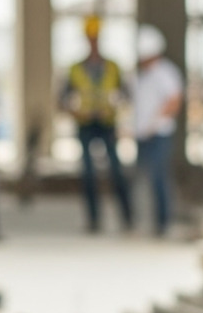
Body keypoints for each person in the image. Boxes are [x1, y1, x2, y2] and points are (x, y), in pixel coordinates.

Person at [61, 14, 132, 233]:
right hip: (85, 124)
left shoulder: (113, 67)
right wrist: (73, 110)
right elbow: (62, 99)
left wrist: (116, 105)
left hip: (107, 123)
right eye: (90, 37)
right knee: (89, 174)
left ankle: (128, 218)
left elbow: (126, 95)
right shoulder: (75, 69)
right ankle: (94, 221)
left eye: (95, 37)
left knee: (116, 171)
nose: (93, 41)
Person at [127, 23, 183, 236]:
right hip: (143, 135)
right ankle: (142, 221)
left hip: (159, 134)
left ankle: (163, 223)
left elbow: (174, 100)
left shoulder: (165, 73)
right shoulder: (142, 76)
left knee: (159, 177)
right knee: (141, 179)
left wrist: (157, 122)